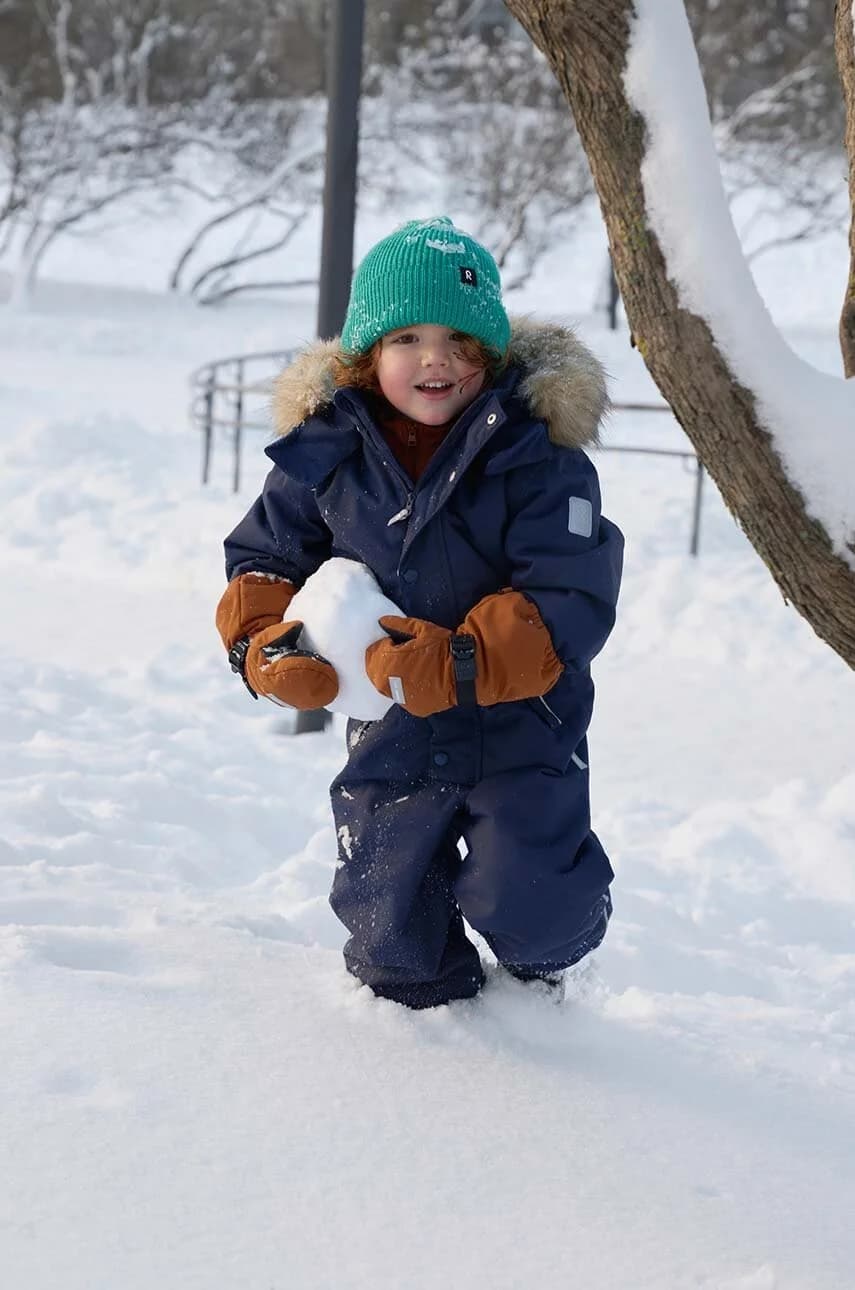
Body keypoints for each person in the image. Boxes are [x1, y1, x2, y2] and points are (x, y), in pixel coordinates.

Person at [215, 217, 624, 1009]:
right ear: (369, 356)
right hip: (393, 721)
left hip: (520, 720)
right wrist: (264, 645)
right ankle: (430, 1051)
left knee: (529, 899)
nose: (433, 358)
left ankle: (548, 981)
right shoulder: (327, 452)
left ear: (491, 354)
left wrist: (462, 660)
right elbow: (264, 558)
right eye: (405, 336)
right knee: (389, 935)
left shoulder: (538, 459)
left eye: (458, 340)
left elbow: (569, 592)